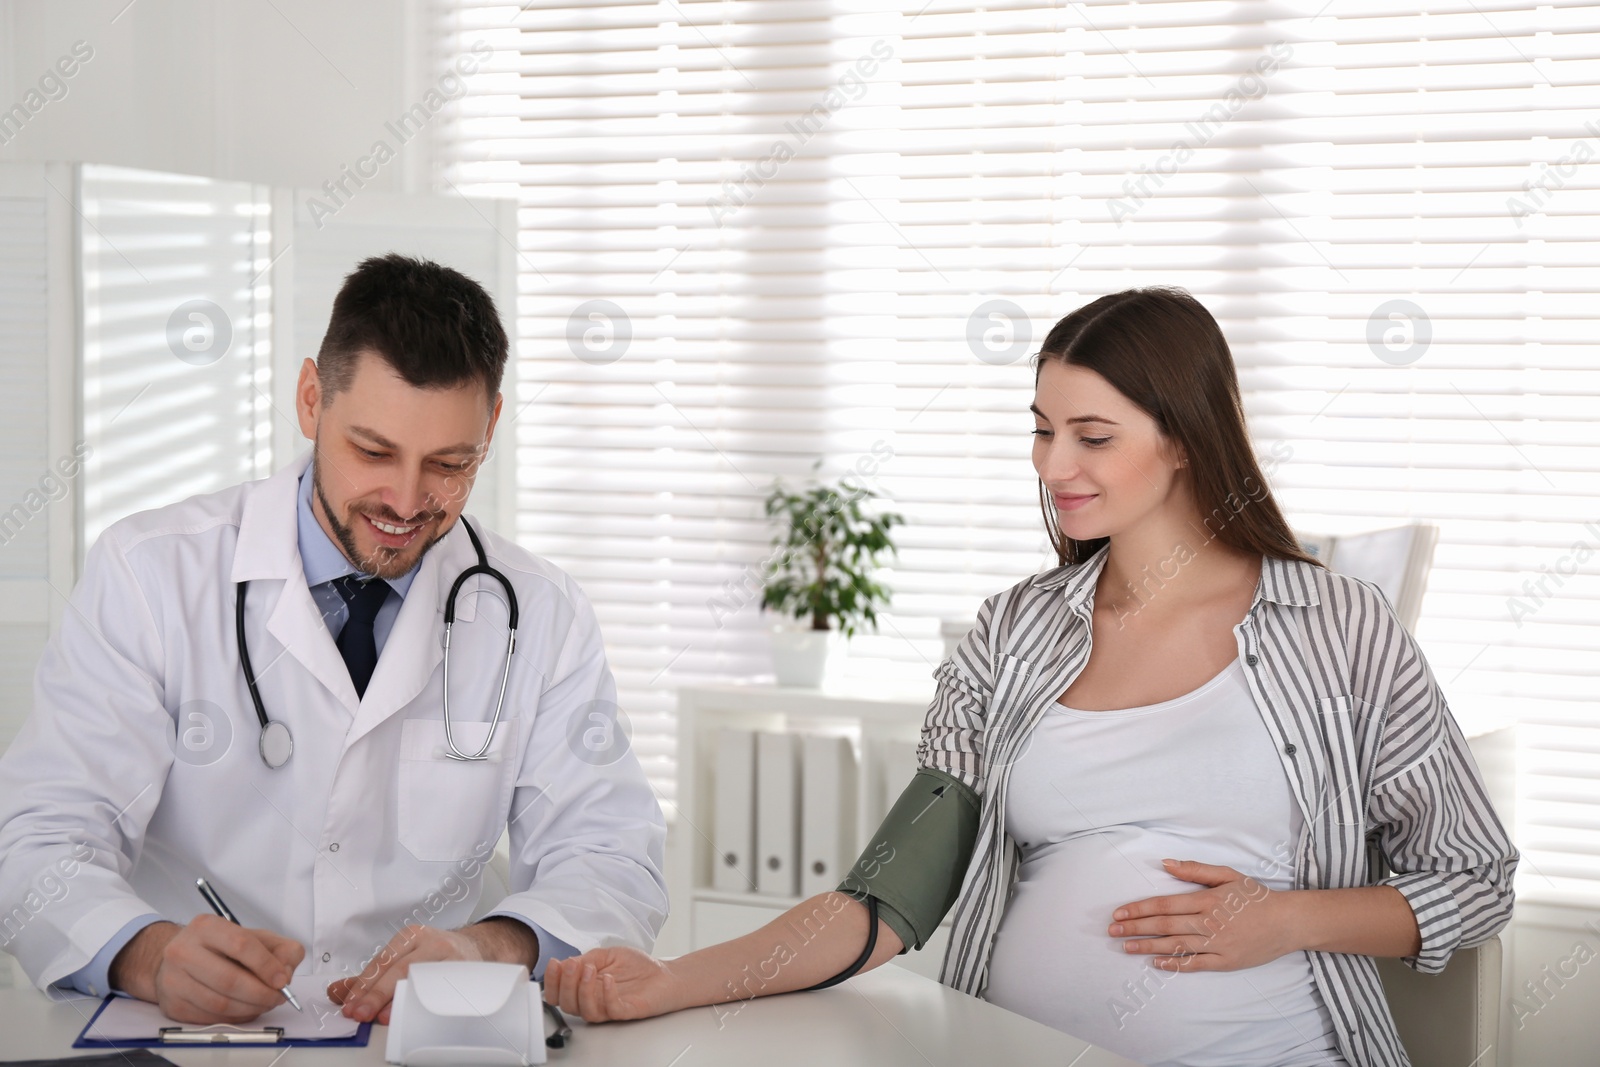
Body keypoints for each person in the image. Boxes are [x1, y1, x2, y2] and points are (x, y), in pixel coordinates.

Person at [537, 287, 1517, 1067]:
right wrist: (669, 981)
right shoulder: (1011, 633)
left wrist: (1281, 917)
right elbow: (887, 901)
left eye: (1092, 435)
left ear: (1181, 437)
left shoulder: (1337, 625)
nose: (1053, 462)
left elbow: (1475, 878)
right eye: (1041, 427)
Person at [0, 253, 667, 1028]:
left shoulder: (539, 613)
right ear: (312, 400)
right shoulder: (149, 574)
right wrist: (148, 953)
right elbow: (38, 838)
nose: (407, 500)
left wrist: (492, 946)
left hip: (423, 1036)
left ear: (490, 429)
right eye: (374, 451)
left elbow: (614, 855)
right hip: (188, 1035)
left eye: (450, 464)